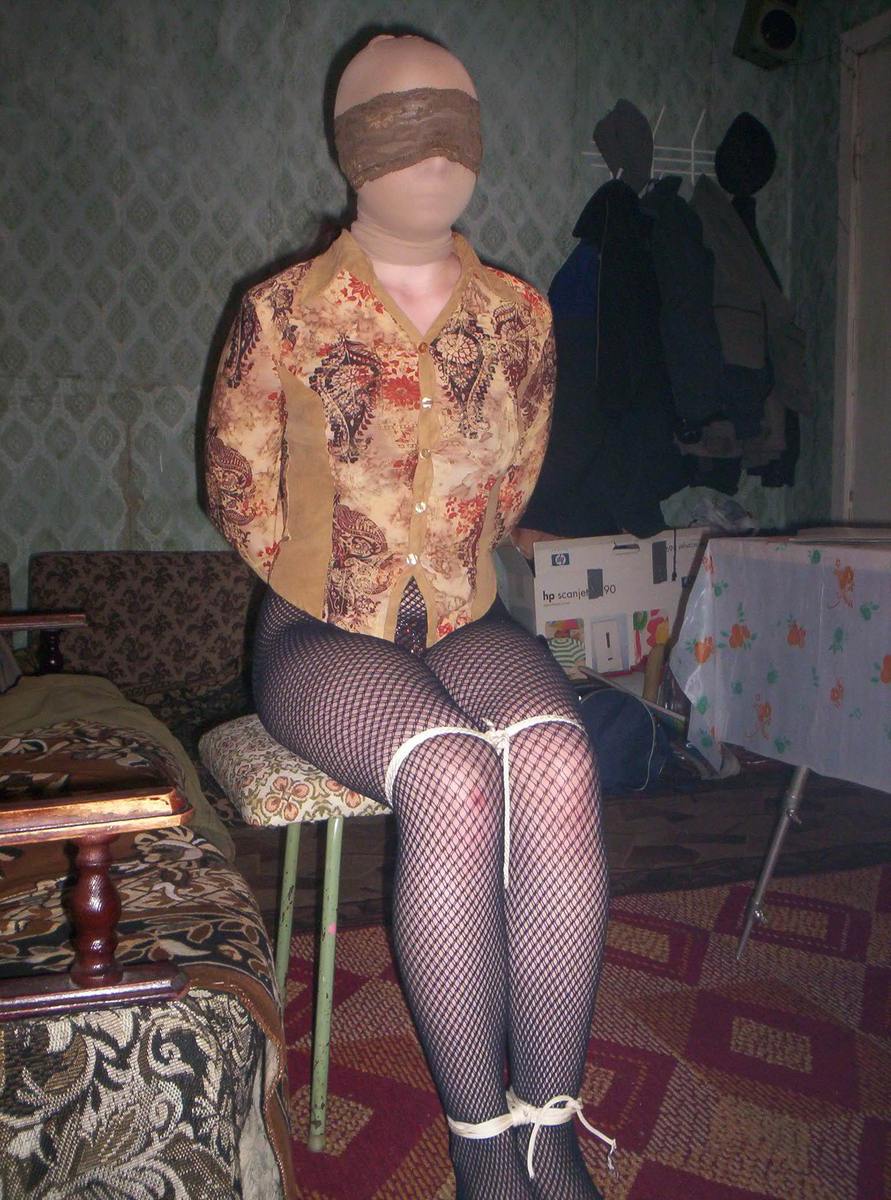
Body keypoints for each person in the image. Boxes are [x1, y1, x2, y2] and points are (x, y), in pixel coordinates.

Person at [206, 32, 612, 1200]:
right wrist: (336, 578)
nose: (435, 154)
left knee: (557, 760)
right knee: (451, 776)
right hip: (318, 634)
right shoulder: (283, 311)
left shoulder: (520, 315)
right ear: (352, 151)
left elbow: (517, 479)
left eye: (454, 125)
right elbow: (234, 484)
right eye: (401, 125)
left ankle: (549, 1130)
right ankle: (484, 1151)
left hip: (467, 617)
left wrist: (444, 573)